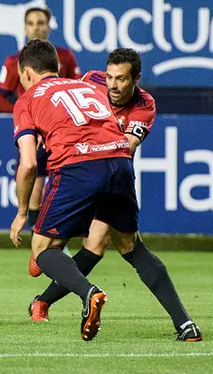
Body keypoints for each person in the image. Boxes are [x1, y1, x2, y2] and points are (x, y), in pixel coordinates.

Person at [9, 39, 201, 342]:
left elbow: (30, 164)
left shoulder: (28, 98)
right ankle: (186, 324)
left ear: (27, 72)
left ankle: (89, 294)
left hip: (79, 166)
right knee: (131, 246)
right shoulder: (85, 86)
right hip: (119, 161)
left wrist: (22, 213)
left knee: (43, 249)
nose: (113, 84)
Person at [28, 48, 155, 322]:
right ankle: (44, 261)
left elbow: (129, 145)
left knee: (95, 245)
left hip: (111, 170)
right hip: (84, 166)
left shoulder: (144, 105)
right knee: (87, 242)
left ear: (136, 79)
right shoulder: (89, 80)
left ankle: (42, 298)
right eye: (109, 77)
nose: (113, 85)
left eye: (121, 79)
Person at [0, 6, 80, 276]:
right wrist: (28, 119)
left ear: (49, 27)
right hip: (34, 137)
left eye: (41, 22)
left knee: (66, 185)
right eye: (31, 23)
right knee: (35, 189)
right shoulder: (13, 61)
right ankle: (44, 248)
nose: (36, 28)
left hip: (60, 134)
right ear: (24, 27)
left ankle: (54, 245)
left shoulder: (62, 58)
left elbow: (75, 91)